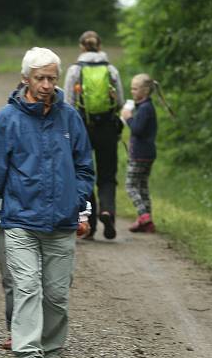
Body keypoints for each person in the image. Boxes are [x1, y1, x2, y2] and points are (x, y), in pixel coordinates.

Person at [0, 47, 94, 358]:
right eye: (40, 78)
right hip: (19, 221)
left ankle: (50, 353)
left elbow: (85, 166)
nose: (46, 85)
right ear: (25, 79)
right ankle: (29, 357)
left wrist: (77, 199)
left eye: (51, 78)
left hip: (61, 222)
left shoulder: (69, 118)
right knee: (27, 288)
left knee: (56, 293)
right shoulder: (8, 119)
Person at [0, 118, 91, 352]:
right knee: (16, 279)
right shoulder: (4, 123)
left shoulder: (64, 122)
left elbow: (77, 169)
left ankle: (45, 344)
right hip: (10, 214)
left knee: (53, 285)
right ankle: (19, 335)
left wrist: (82, 210)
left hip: (55, 217)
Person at [64, 30, 123, 240]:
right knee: (107, 175)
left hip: (82, 128)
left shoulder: (74, 71)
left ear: (81, 47)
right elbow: (120, 103)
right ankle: (108, 212)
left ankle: (88, 224)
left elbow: (68, 103)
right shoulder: (111, 70)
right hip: (107, 127)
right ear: (100, 46)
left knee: (85, 173)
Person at [121, 73, 158, 233]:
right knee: (142, 186)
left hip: (140, 154)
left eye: (135, 89)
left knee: (130, 186)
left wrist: (128, 118)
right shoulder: (145, 107)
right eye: (132, 89)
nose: (133, 92)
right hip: (147, 153)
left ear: (145, 91)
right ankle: (146, 222)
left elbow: (137, 129)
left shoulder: (145, 109)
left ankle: (144, 216)